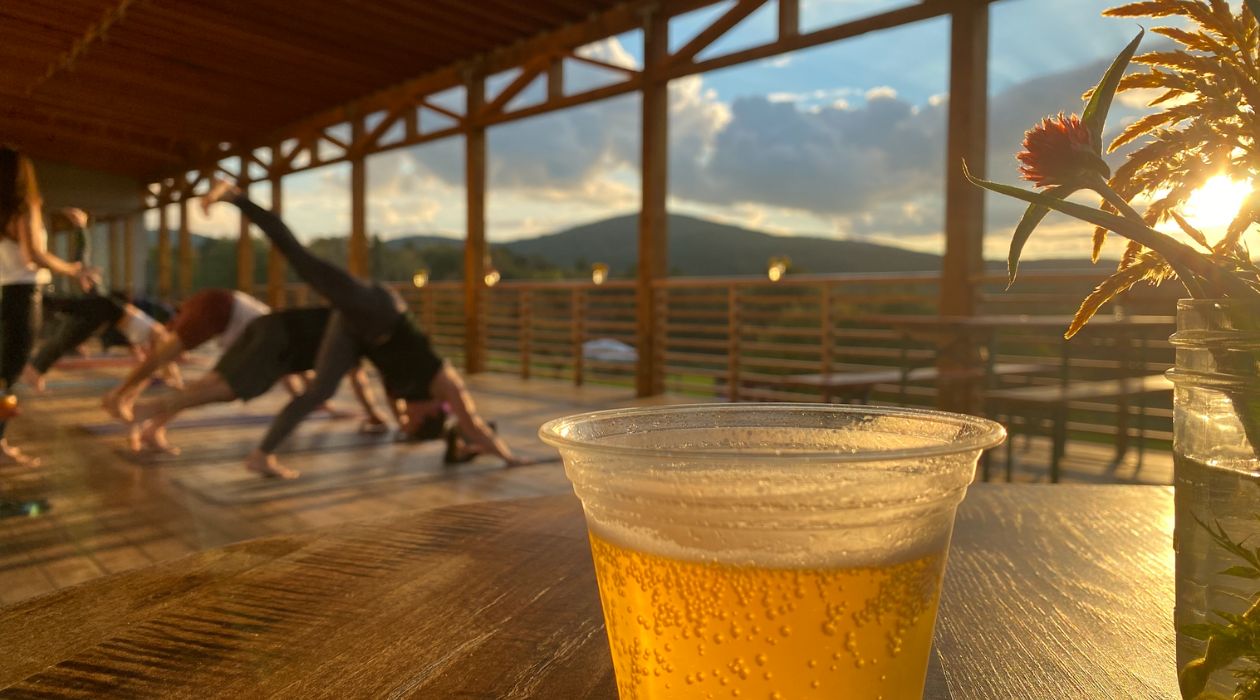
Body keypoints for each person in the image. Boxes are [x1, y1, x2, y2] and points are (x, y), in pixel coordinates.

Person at [201, 178, 527, 478]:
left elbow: (448, 434)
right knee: (303, 260)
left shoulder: (408, 403)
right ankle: (235, 196)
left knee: (319, 391)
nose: (403, 418)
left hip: (358, 332)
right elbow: (473, 424)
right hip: (378, 309)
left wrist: (468, 448)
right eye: (410, 420)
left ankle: (261, 455)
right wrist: (509, 457)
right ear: (429, 413)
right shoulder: (446, 385)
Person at [130, 307, 392, 461]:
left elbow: (305, 373)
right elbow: (353, 380)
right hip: (269, 336)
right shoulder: (361, 336)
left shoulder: (349, 320)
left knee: (212, 384)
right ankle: (146, 411)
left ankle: (152, 425)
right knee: (226, 390)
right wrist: (375, 414)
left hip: (264, 327)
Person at [0, 147, 97, 465]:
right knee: (8, 375)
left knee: (4, 372)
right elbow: (34, 256)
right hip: (22, 296)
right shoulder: (24, 206)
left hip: (3, 294)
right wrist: (73, 269)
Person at [101, 287, 269, 422]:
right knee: (161, 358)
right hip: (219, 309)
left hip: (216, 302)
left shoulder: (263, 332)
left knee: (165, 361)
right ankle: (119, 396)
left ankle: (146, 422)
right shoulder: (270, 345)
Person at [21, 292, 183, 394]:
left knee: (67, 336)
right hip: (107, 308)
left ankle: (36, 371)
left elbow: (151, 357)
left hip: (106, 314)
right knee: (64, 309)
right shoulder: (161, 336)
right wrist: (176, 382)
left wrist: (169, 378)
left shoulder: (148, 341)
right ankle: (32, 296)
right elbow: (166, 361)